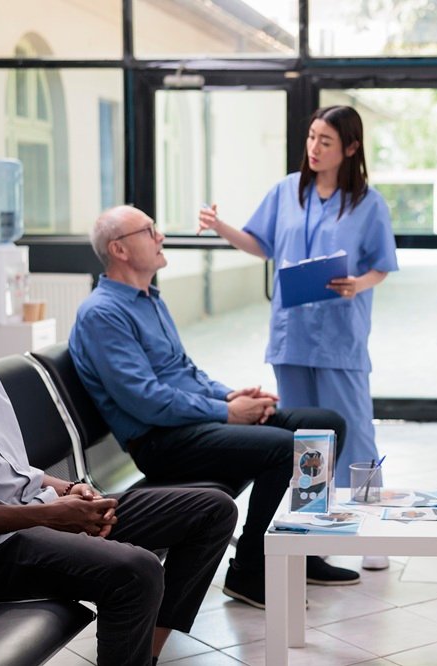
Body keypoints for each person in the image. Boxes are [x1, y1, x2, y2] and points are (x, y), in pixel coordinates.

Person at [0, 217, 238, 666]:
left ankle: (142, 656)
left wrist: (68, 492)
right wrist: (50, 516)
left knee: (211, 510)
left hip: (32, 513)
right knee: (136, 571)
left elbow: (1, 466)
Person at [69, 204, 360, 610]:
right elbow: (145, 399)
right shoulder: (102, 313)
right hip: (161, 442)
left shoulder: (149, 297)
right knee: (282, 448)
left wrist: (230, 397)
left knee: (323, 426)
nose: (160, 237)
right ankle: (250, 572)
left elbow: (185, 370)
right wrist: (227, 413)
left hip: (192, 425)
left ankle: (302, 551)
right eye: (149, 231)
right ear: (119, 249)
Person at [199, 105, 399, 571]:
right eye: (311, 137)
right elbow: (261, 243)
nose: (314, 148)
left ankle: (370, 528)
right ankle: (315, 531)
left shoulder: (368, 203)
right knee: (307, 440)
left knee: (357, 433)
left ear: (350, 147)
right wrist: (221, 226)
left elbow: (381, 266)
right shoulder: (286, 191)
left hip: (339, 334)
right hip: (292, 335)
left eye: (325, 141)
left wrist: (358, 284)